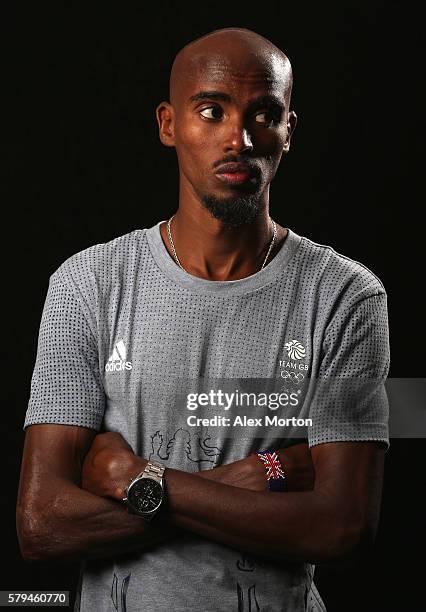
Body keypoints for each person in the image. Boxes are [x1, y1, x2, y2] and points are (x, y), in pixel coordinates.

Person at [16, 27, 390, 612]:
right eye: (211, 111)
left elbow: (341, 527)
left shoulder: (346, 296)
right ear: (169, 125)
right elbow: (42, 526)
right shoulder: (86, 283)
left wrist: (138, 479)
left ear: (289, 131)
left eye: (263, 115)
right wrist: (261, 476)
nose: (238, 139)